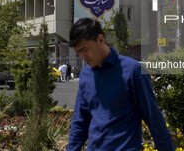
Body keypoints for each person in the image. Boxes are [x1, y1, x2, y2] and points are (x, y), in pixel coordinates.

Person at [66, 18, 174, 151]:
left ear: (101, 40)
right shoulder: (86, 75)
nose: (82, 56)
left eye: (84, 49)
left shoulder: (133, 71)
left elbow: (153, 118)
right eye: (79, 52)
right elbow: (80, 121)